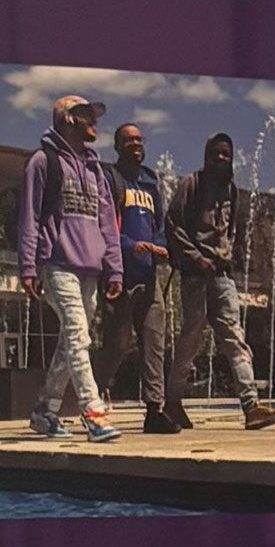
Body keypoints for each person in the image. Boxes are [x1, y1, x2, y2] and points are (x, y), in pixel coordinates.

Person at [14, 93, 122, 442]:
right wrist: (28, 266)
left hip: (90, 267)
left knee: (71, 339)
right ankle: (93, 411)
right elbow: (29, 216)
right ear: (68, 119)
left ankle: (45, 410)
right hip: (57, 263)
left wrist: (114, 268)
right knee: (78, 332)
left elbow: (107, 221)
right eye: (87, 115)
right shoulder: (43, 162)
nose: (94, 122)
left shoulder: (96, 170)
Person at [163, 131, 275, 433]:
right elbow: (173, 224)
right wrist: (194, 257)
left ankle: (251, 406)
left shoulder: (232, 191)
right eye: (216, 152)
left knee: (234, 336)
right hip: (195, 275)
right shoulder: (191, 184)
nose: (221, 158)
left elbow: (233, 230)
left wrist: (229, 257)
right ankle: (172, 402)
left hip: (223, 274)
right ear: (207, 154)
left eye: (225, 154)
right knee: (191, 338)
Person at [94, 123, 167, 420]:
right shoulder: (111, 179)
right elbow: (105, 225)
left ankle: (154, 409)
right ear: (118, 146)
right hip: (120, 275)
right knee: (118, 344)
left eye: (140, 139)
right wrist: (129, 246)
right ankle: (92, 393)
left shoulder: (150, 182)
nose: (136, 144)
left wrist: (160, 247)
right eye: (129, 140)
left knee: (154, 342)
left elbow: (159, 225)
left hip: (149, 276)